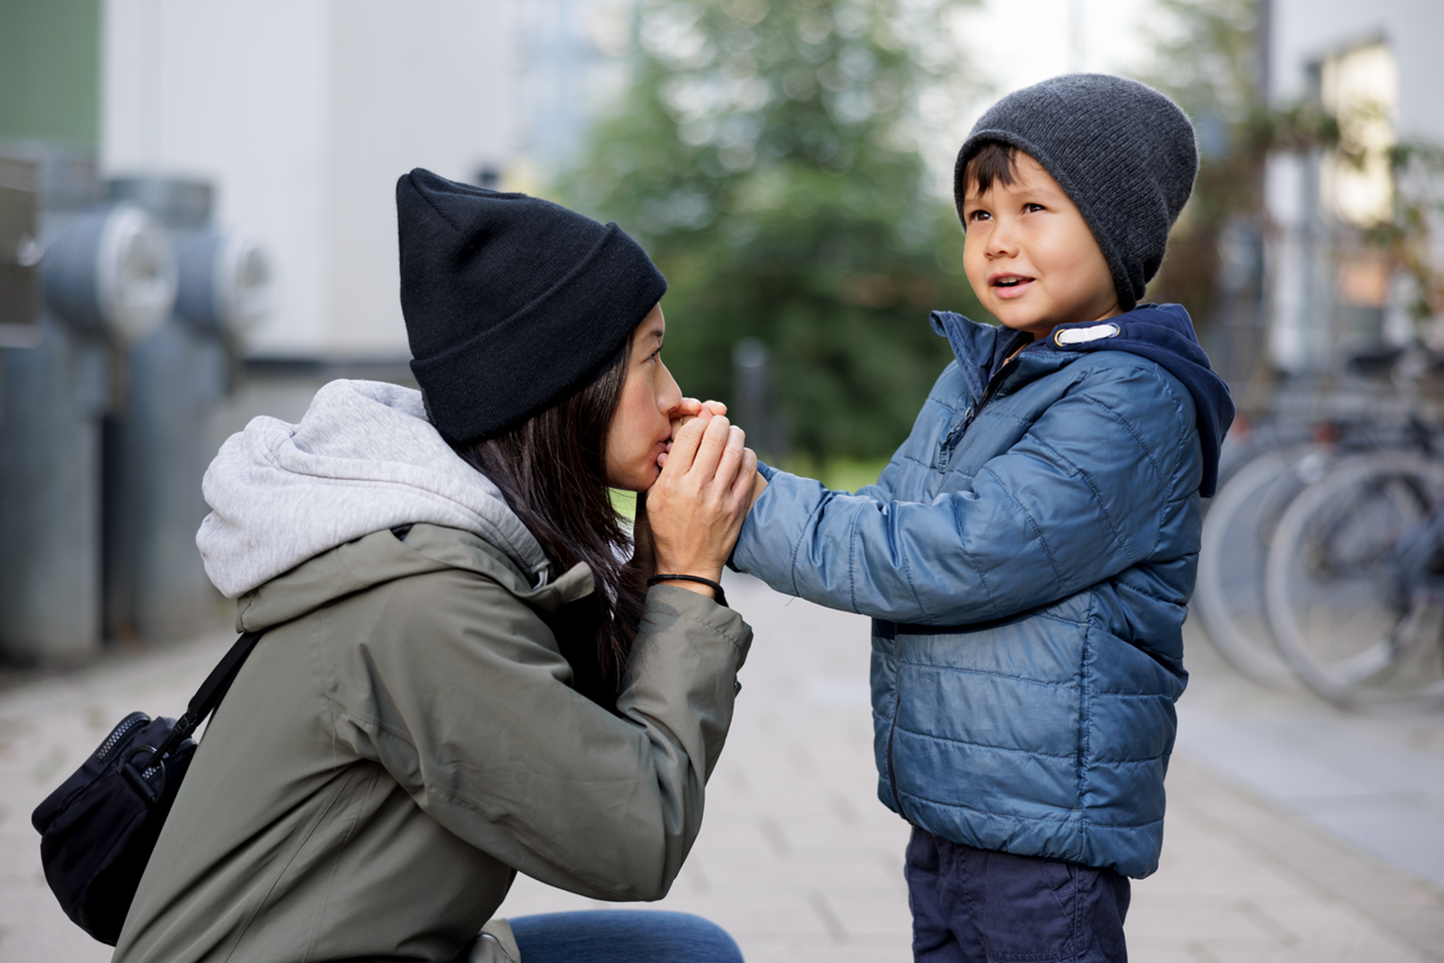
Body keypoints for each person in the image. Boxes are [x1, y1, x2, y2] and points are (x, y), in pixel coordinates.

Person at [111, 169, 758, 963]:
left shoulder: (456, 540)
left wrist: (659, 560)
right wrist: (688, 583)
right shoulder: (425, 600)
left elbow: (583, 751)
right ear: (562, 386)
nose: (676, 397)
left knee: (682, 952)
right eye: (652, 359)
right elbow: (632, 835)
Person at [729, 75, 1236, 962]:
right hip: (952, 803)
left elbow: (942, 555)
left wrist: (737, 499)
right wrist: (741, 476)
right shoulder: (981, 372)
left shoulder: (1130, 404)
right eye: (978, 214)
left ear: (1116, 229)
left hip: (1041, 837)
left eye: (1033, 206)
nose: (999, 239)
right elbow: (884, 515)